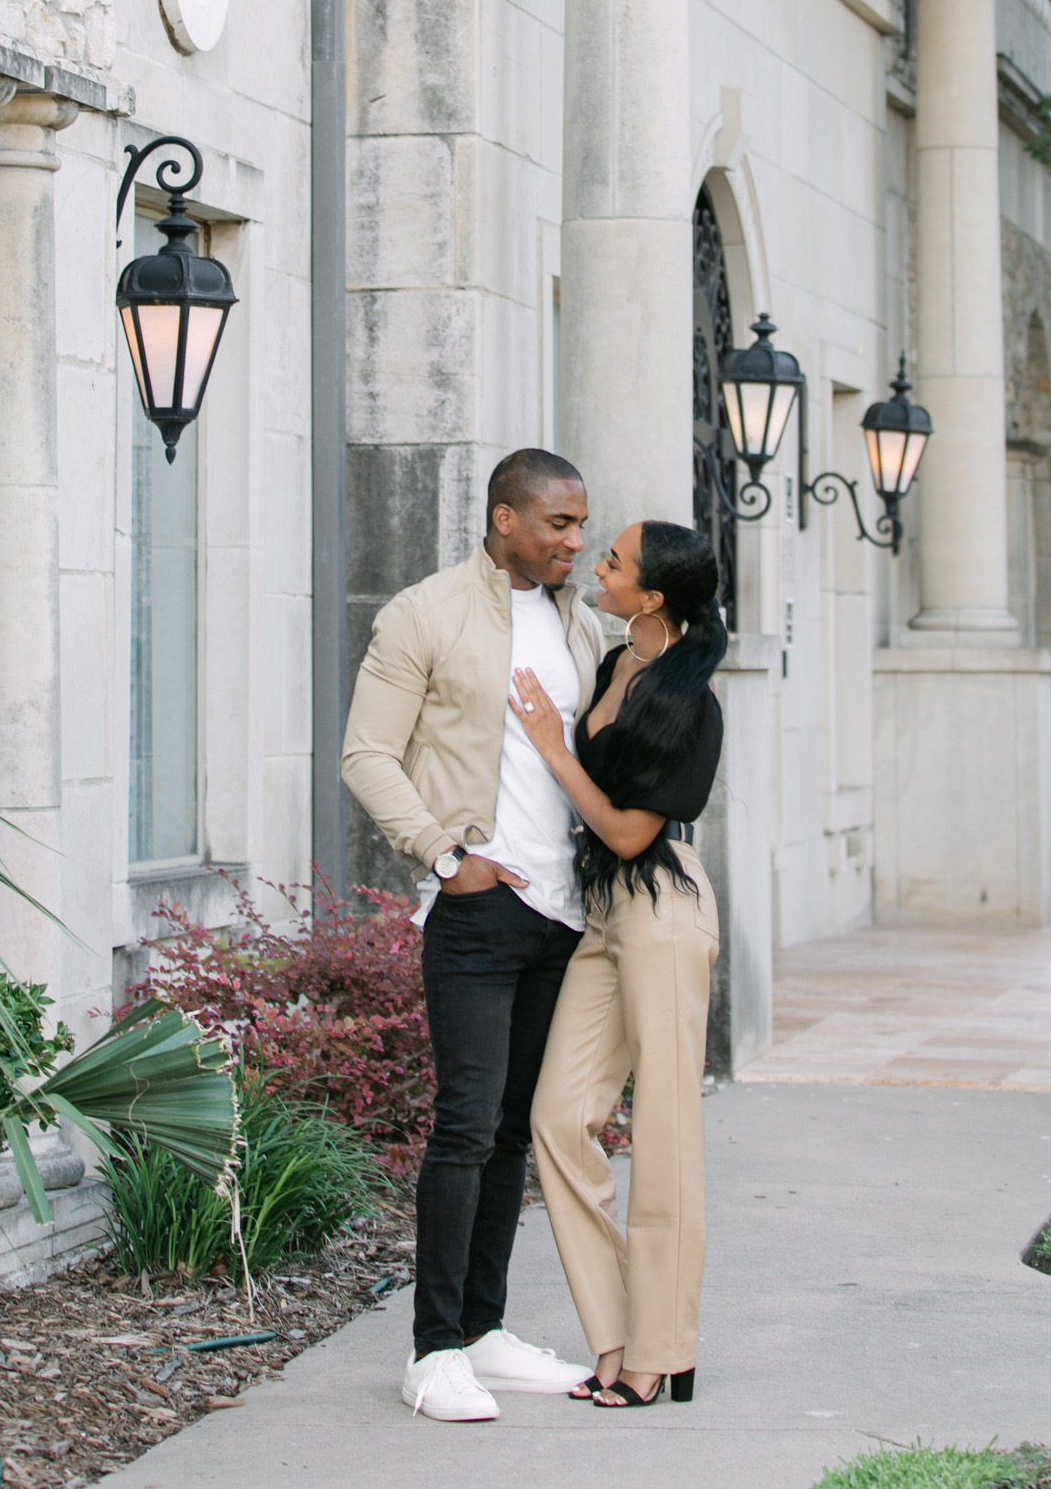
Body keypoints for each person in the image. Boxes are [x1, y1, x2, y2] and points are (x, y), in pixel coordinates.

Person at [341, 448, 605, 1423]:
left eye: (580, 526)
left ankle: (487, 1331)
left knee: (510, 1133)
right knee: (463, 1123)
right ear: (504, 518)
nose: (573, 542)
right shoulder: (424, 613)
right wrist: (446, 858)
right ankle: (434, 1349)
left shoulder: (577, 622)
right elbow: (366, 753)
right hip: (479, 909)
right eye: (556, 525)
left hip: (566, 916)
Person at [512, 518, 725, 1411]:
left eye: (615, 561)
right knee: (559, 1118)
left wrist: (552, 750)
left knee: (667, 1133)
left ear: (653, 596)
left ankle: (664, 1349)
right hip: (606, 913)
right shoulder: (615, 664)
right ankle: (616, 1333)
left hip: (665, 910)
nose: (597, 564)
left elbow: (635, 829)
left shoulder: (692, 703)